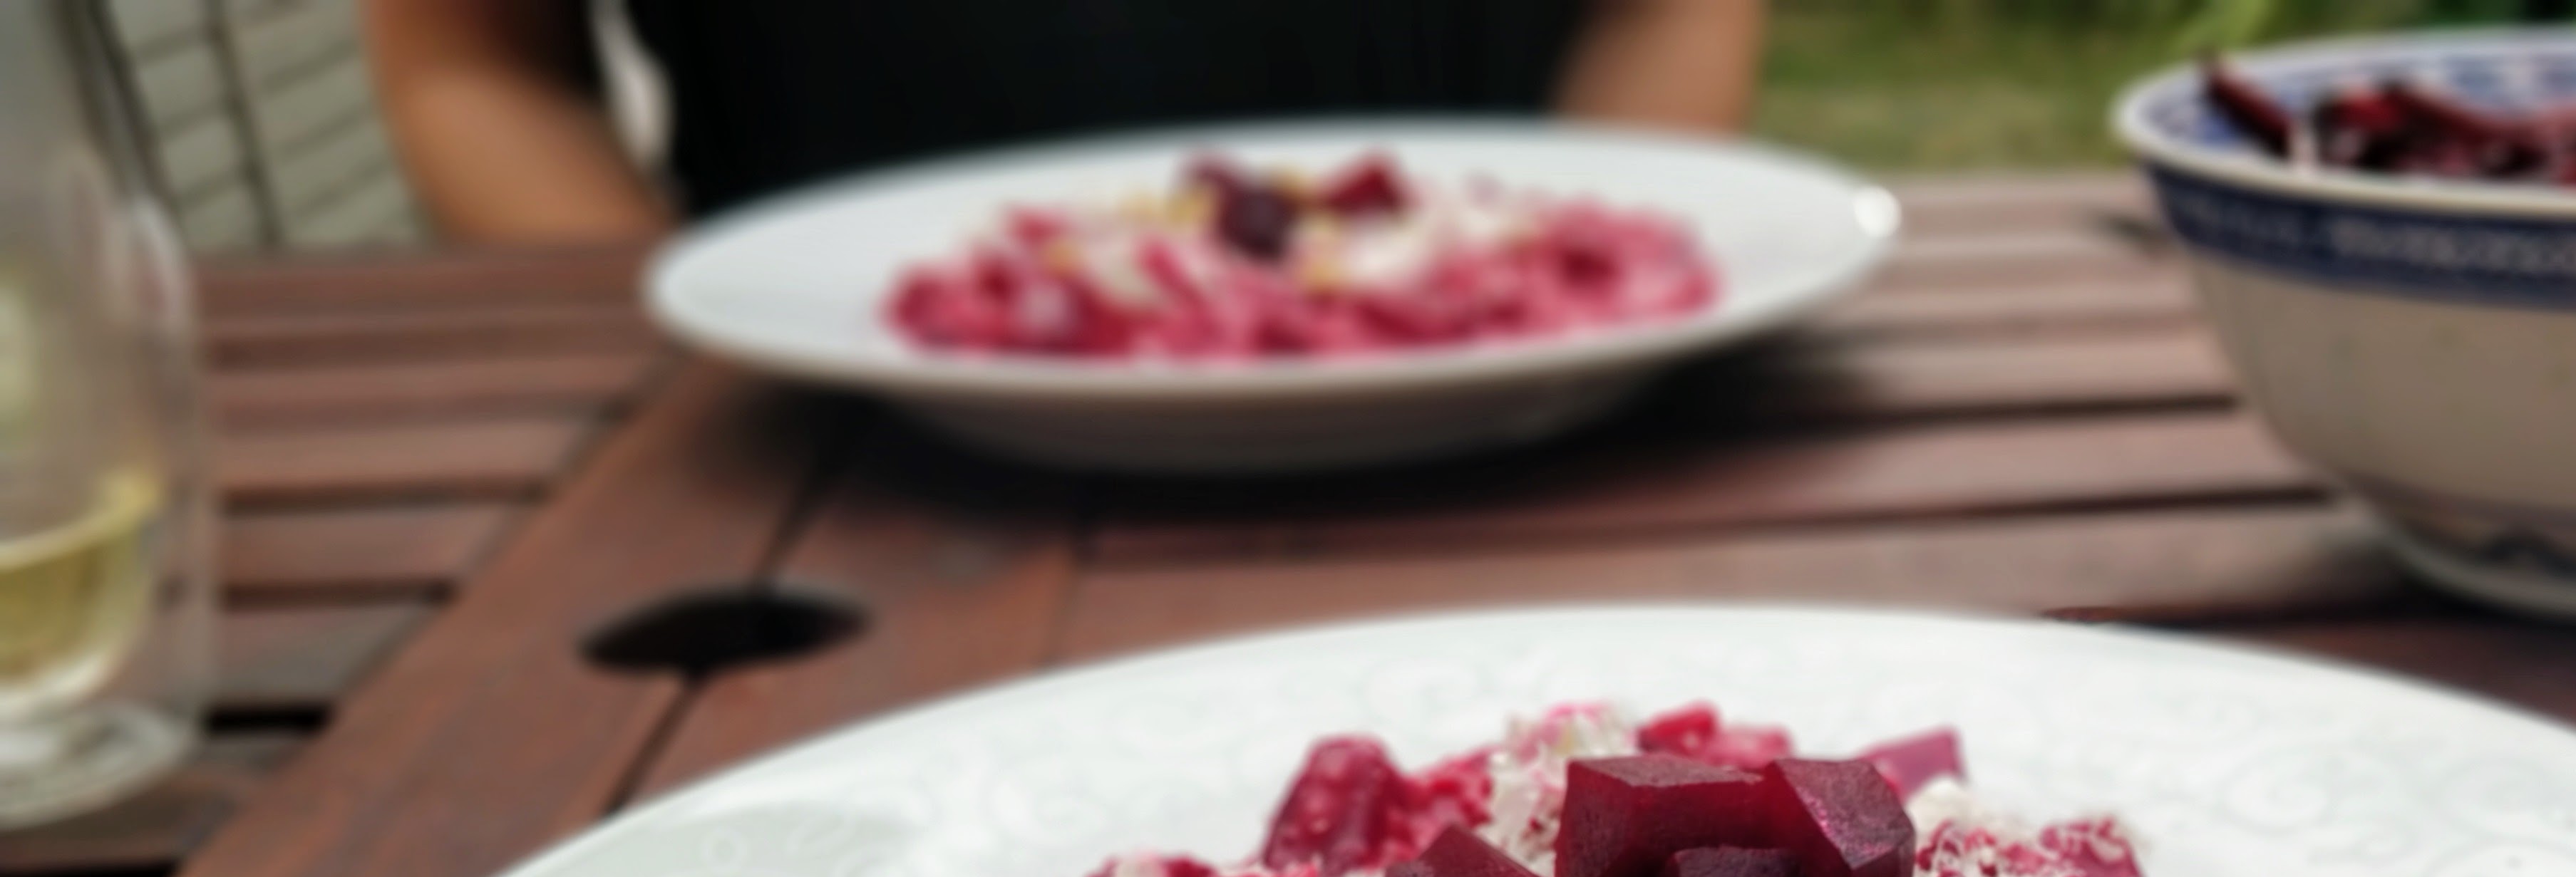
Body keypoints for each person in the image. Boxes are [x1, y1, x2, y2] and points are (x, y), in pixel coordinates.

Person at [360, 0, 1766, 241]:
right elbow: (475, 56)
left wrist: (1596, 260)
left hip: (1552, 451)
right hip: (812, 471)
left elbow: (1661, 12)